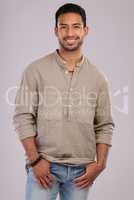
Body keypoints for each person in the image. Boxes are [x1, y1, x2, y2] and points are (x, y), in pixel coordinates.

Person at [13, 3, 115, 200]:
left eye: (76, 26)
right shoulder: (35, 70)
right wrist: (35, 161)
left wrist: (100, 164)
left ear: (86, 30)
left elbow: (104, 124)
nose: (70, 33)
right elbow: (22, 117)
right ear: (55, 30)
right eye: (64, 26)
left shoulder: (97, 78)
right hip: (44, 167)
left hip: (81, 172)